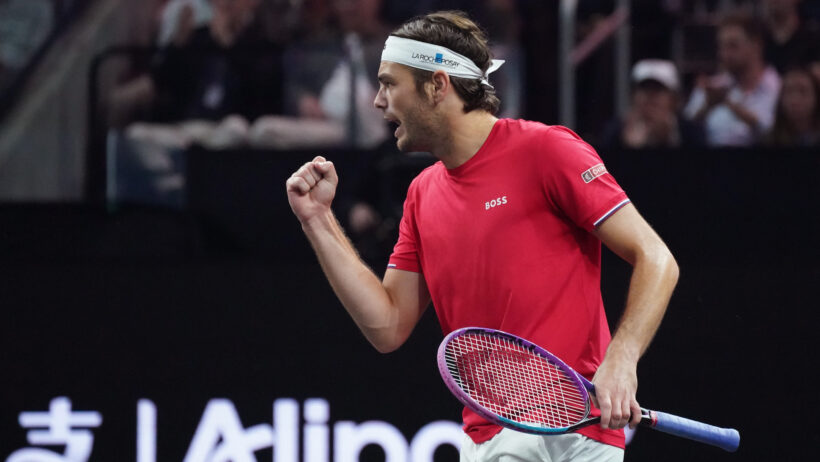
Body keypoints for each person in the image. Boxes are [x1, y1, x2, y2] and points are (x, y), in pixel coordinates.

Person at [286, 11, 679, 461]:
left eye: (389, 83)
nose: (378, 101)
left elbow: (656, 258)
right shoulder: (421, 195)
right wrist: (317, 220)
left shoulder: (547, 151)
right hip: (495, 440)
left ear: (438, 85)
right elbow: (388, 326)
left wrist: (623, 360)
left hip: (581, 435)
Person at [684, 12, 781, 147]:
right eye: (721, 46)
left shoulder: (778, 88)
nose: (724, 54)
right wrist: (707, 107)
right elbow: (683, 132)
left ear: (756, 45)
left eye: (733, 46)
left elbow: (778, 134)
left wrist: (729, 104)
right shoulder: (711, 88)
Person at [602, 59, 705, 149]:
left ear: (673, 99)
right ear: (633, 96)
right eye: (644, 89)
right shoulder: (615, 132)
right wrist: (629, 149)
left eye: (658, 90)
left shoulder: (692, 133)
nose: (650, 96)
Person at [767, 66, 820, 146]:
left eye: (803, 91)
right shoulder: (768, 141)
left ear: (816, 97)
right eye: (789, 91)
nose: (795, 100)